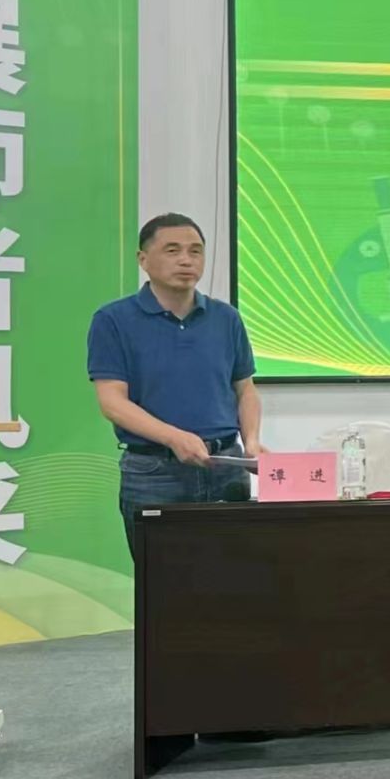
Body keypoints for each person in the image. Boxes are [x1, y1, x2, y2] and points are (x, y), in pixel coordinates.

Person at [88, 214, 260, 552]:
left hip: (227, 466)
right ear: (143, 259)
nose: (186, 260)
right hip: (155, 472)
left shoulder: (226, 318)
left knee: (235, 574)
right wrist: (174, 437)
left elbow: (245, 389)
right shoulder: (113, 320)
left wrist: (252, 442)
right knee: (163, 578)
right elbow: (112, 402)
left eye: (195, 251)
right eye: (172, 250)